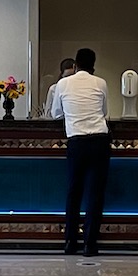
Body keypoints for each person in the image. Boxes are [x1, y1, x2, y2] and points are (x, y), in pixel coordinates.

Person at [48, 46, 111, 255]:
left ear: (75, 65)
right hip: (99, 139)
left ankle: (70, 242)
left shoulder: (63, 84)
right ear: (93, 65)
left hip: (76, 141)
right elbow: (104, 112)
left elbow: (55, 113)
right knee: (95, 194)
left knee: (73, 192)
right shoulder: (100, 83)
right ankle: (89, 244)